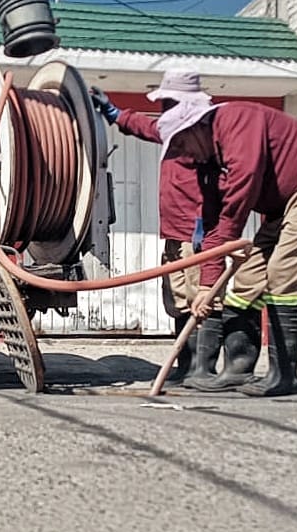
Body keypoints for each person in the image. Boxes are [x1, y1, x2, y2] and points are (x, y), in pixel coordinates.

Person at [156, 99, 297, 396]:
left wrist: (213, 276)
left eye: (183, 143)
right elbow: (215, 228)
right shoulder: (209, 162)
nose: (186, 153)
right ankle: (238, 370)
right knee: (248, 277)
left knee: (282, 274)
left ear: (198, 128)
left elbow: (239, 197)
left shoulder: (236, 123)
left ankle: (284, 375)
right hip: (283, 205)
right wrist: (208, 286)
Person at [90, 70, 223, 387]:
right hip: (175, 235)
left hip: (196, 236)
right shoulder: (173, 131)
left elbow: (220, 186)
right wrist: (113, 112)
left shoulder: (204, 138)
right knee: (178, 300)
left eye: (168, 101)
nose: (163, 108)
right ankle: (186, 366)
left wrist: (205, 226)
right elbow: (145, 127)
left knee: (201, 301)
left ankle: (204, 370)